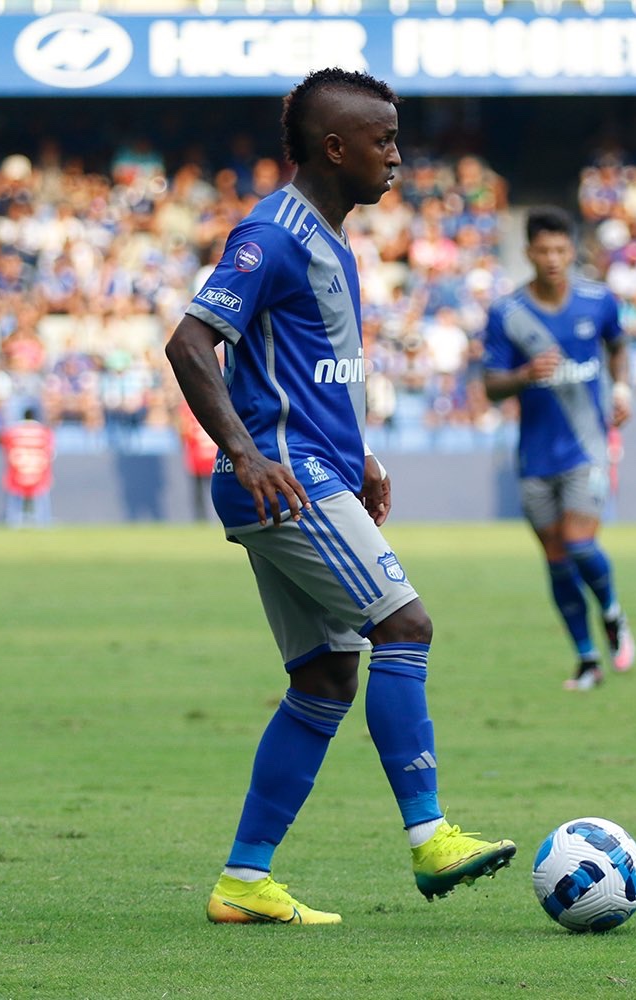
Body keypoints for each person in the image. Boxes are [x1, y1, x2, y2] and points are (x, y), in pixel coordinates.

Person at [165, 67, 515, 926]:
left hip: (318, 468)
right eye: (384, 140)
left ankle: (244, 881)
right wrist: (246, 455)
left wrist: (360, 453)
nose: (397, 156)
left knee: (325, 680)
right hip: (284, 480)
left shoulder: (328, 234)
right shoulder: (272, 234)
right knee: (405, 625)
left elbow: (307, 371)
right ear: (335, 148)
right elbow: (189, 342)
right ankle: (431, 838)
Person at [482, 207, 636, 691]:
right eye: (543, 250)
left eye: (561, 250)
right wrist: (525, 376)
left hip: (587, 448)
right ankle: (587, 659)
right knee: (555, 558)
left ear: (573, 251)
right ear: (528, 252)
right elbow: (490, 386)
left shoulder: (598, 300)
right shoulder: (507, 314)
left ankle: (611, 612)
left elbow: (618, 345)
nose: (552, 259)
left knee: (579, 543)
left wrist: (623, 390)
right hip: (534, 457)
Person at [1, 407, 54, 527]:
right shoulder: (43, 432)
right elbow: (49, 452)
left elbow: (6, 448)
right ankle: (44, 521)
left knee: (15, 495)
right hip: (37, 469)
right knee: (41, 494)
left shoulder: (13, 432)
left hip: (18, 468)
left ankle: (12, 521)